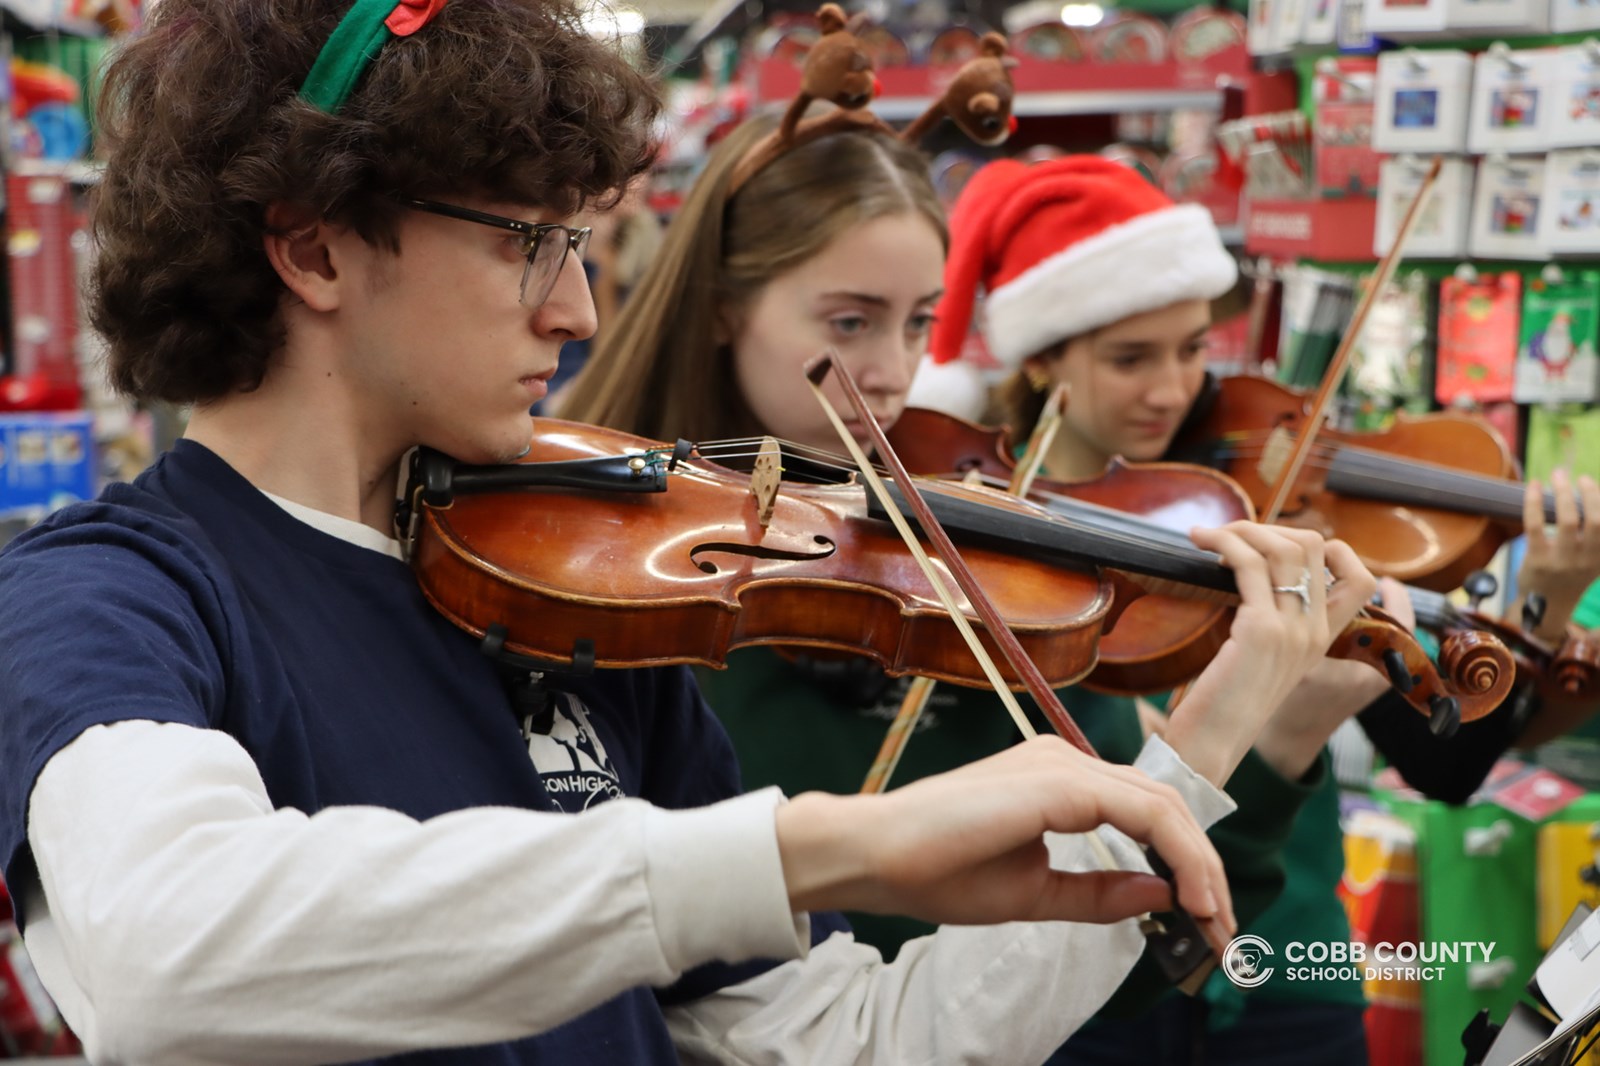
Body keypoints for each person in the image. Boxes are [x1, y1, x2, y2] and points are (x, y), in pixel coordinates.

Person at [0, 2, 1373, 1064]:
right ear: (313, 250)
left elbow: (840, 1037)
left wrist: (1197, 748)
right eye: (529, 242)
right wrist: (811, 848)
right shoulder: (113, 597)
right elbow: (165, 949)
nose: (582, 312)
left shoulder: (568, 591)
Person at [558, 102, 1392, 1007]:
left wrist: (1266, 737)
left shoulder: (950, 557)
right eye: (849, 323)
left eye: (919, 323)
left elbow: (1137, 942)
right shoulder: (602, 543)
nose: (890, 371)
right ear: (723, 310)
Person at [920, 153, 1600, 1065]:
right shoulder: (971, 520)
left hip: (1283, 958)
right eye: (1131, 358)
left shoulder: (1252, 492)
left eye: (1194, 348)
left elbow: (1440, 764)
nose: (1172, 388)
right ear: (1043, 355)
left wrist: (1542, 602)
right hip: (1075, 974)